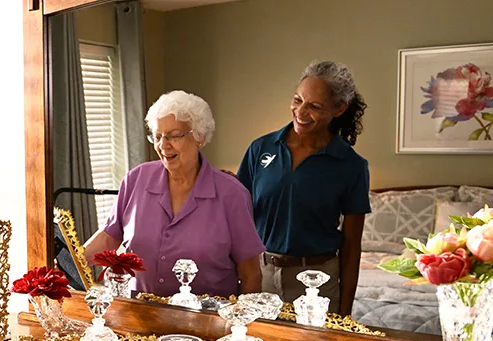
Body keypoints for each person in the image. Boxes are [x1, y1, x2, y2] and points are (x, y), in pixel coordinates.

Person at [84, 90, 265, 298]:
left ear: (199, 137)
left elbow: (251, 275)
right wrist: (67, 263)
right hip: (140, 315)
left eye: (175, 136)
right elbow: (109, 238)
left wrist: (241, 325)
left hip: (209, 322)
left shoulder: (231, 194)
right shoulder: (136, 180)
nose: (163, 145)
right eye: (158, 136)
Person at [237, 60, 370, 315]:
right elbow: (238, 217)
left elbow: (352, 245)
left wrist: (345, 310)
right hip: (260, 277)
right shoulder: (261, 149)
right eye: (298, 100)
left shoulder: (351, 166)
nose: (301, 111)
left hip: (317, 283)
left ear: (339, 109)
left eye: (315, 106)